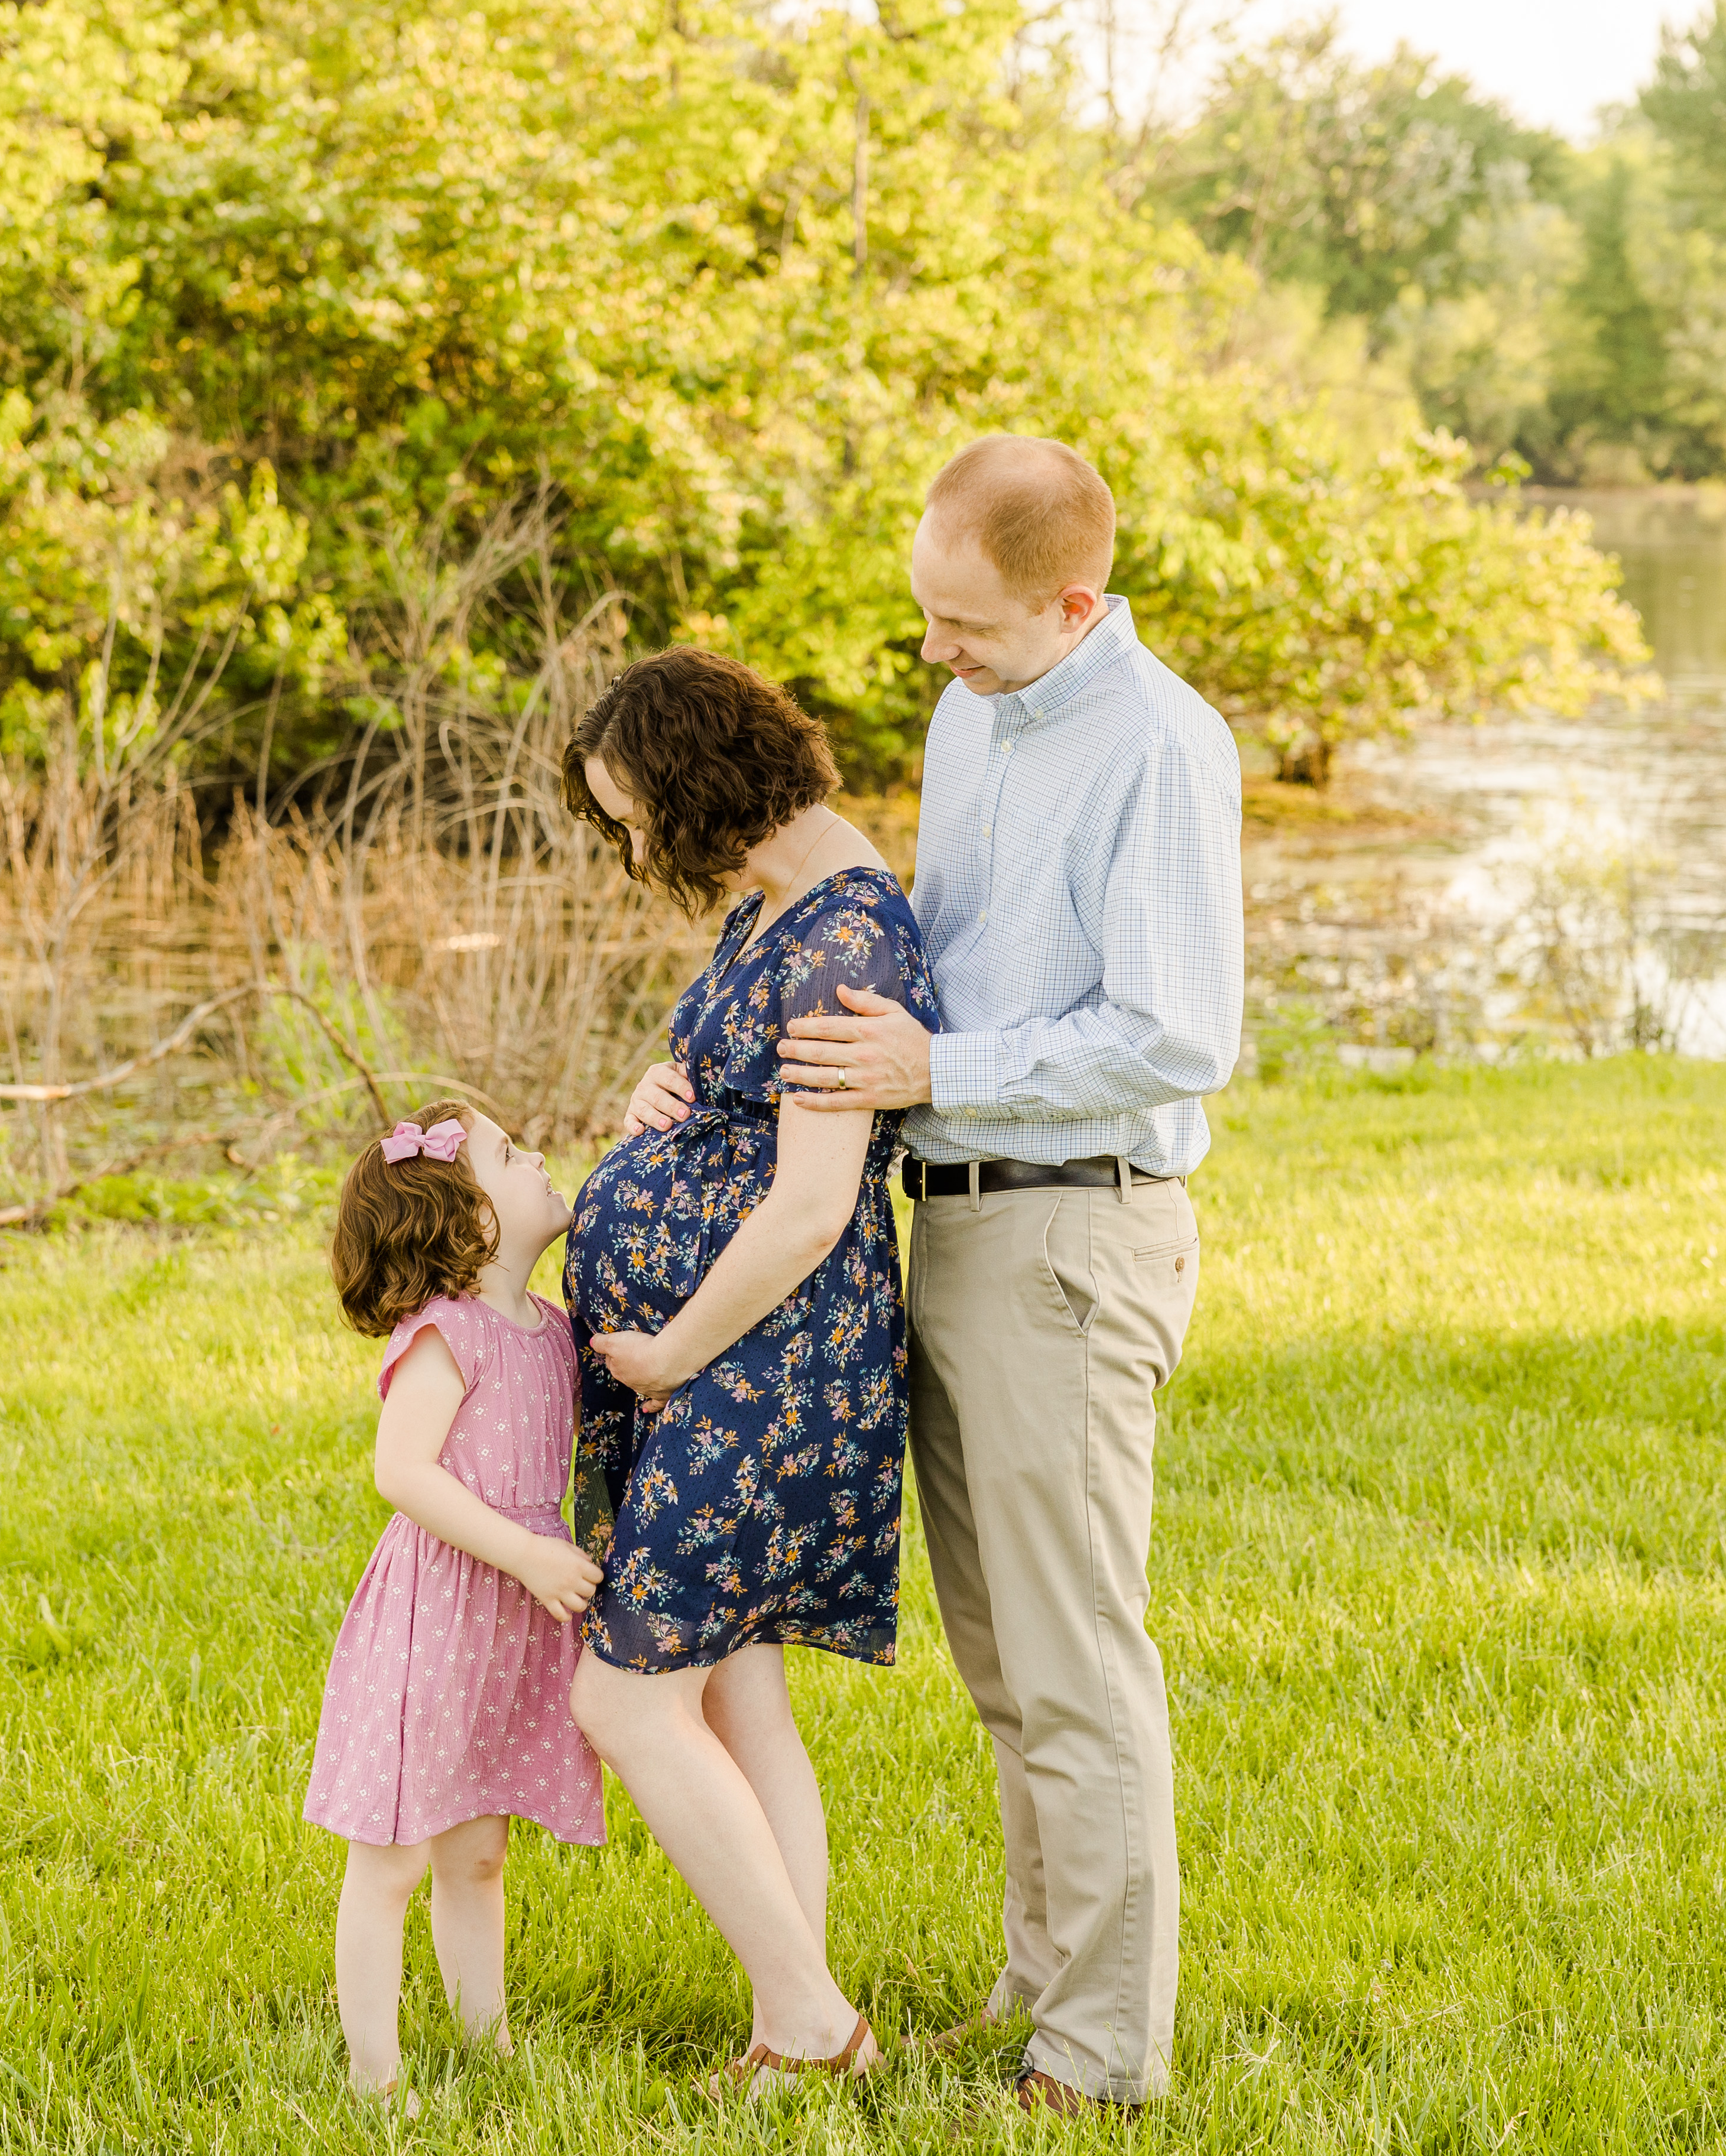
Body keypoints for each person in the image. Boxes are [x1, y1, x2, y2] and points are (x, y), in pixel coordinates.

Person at [643, 436, 1244, 2111]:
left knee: (1074, 1664)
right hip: (956, 1223)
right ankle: (1041, 1991)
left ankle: (1104, 2059)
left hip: (1073, 1226)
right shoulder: (978, 713)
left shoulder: (1160, 748)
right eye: (926, 618)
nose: (933, 654)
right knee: (1005, 1667)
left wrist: (938, 1079)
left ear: (1077, 599)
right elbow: (924, 964)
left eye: (963, 624)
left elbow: (1180, 1033)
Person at [559, 646, 943, 2095]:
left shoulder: (847, 938)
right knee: (740, 1691)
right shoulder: (770, 903)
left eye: (639, 811)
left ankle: (811, 2024)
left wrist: (668, 1347)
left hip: (764, 1362)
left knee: (629, 1699)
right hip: (732, 1357)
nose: (637, 846)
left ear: (703, 782)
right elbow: (746, 1115)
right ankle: (801, 2017)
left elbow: (809, 1204)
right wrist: (664, 1096)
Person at [305, 1103, 607, 2104]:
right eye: (513, 1157)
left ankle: (491, 2045)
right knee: (392, 1858)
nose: (542, 1159)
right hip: (437, 1612)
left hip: (509, 1624)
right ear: (471, 1223)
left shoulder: (554, 1330)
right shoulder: (448, 1335)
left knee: (478, 1853)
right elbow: (403, 1471)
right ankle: (373, 2077)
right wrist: (526, 1550)